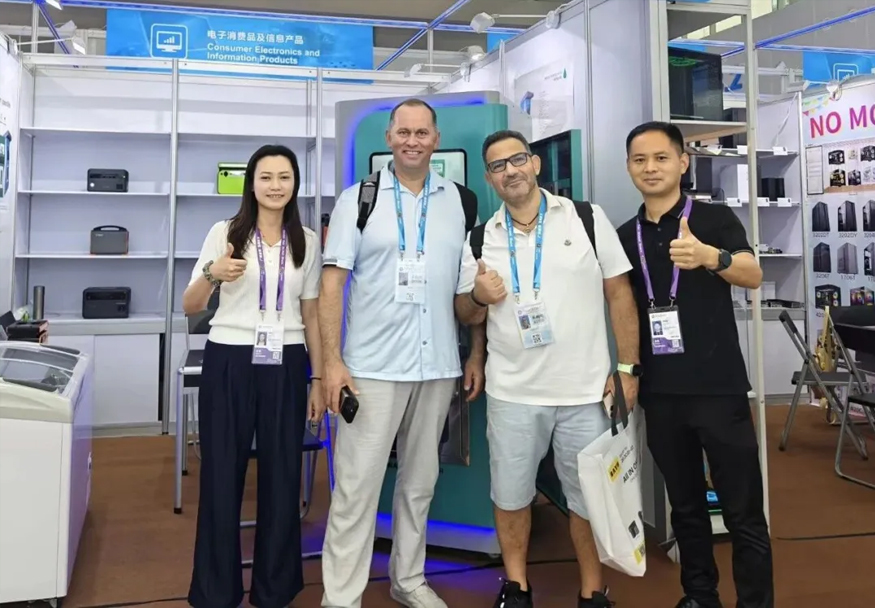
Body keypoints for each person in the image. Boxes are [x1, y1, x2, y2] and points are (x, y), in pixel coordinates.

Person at [455, 129, 641, 608]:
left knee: (587, 500)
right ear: (489, 178)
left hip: (586, 391)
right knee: (510, 495)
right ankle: (516, 586)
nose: (510, 171)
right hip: (513, 393)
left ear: (535, 163)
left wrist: (627, 368)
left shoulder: (587, 218)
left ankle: (592, 590)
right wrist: (478, 297)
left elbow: (620, 294)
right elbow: (467, 313)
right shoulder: (479, 237)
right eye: (498, 166)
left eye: (517, 160)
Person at [318, 98, 484, 608]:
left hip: (437, 366)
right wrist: (332, 363)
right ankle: (341, 598)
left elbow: (469, 290)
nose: (413, 141)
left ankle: (408, 580)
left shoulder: (460, 201)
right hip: (371, 368)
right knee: (356, 489)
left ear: (436, 139)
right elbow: (331, 284)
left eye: (422, 132)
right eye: (404, 132)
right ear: (389, 138)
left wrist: (475, 353)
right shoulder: (358, 200)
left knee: (420, 484)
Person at [617, 121, 773, 608]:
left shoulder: (713, 219)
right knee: (685, 507)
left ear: (683, 162)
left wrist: (710, 256)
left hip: (718, 388)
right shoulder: (624, 235)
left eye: (661, 157)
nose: (651, 168)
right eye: (640, 160)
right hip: (662, 392)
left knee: (743, 510)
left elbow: (752, 274)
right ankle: (700, 595)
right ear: (629, 167)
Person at [183, 144, 325, 608]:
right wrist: (213, 273)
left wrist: (318, 379)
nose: (275, 186)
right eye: (266, 177)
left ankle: (274, 588)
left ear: (295, 184)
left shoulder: (306, 240)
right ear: (251, 184)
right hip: (229, 359)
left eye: (285, 177)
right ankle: (216, 591)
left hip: (287, 360)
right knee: (222, 473)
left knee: (283, 474)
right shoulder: (225, 232)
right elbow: (190, 305)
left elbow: (311, 314)